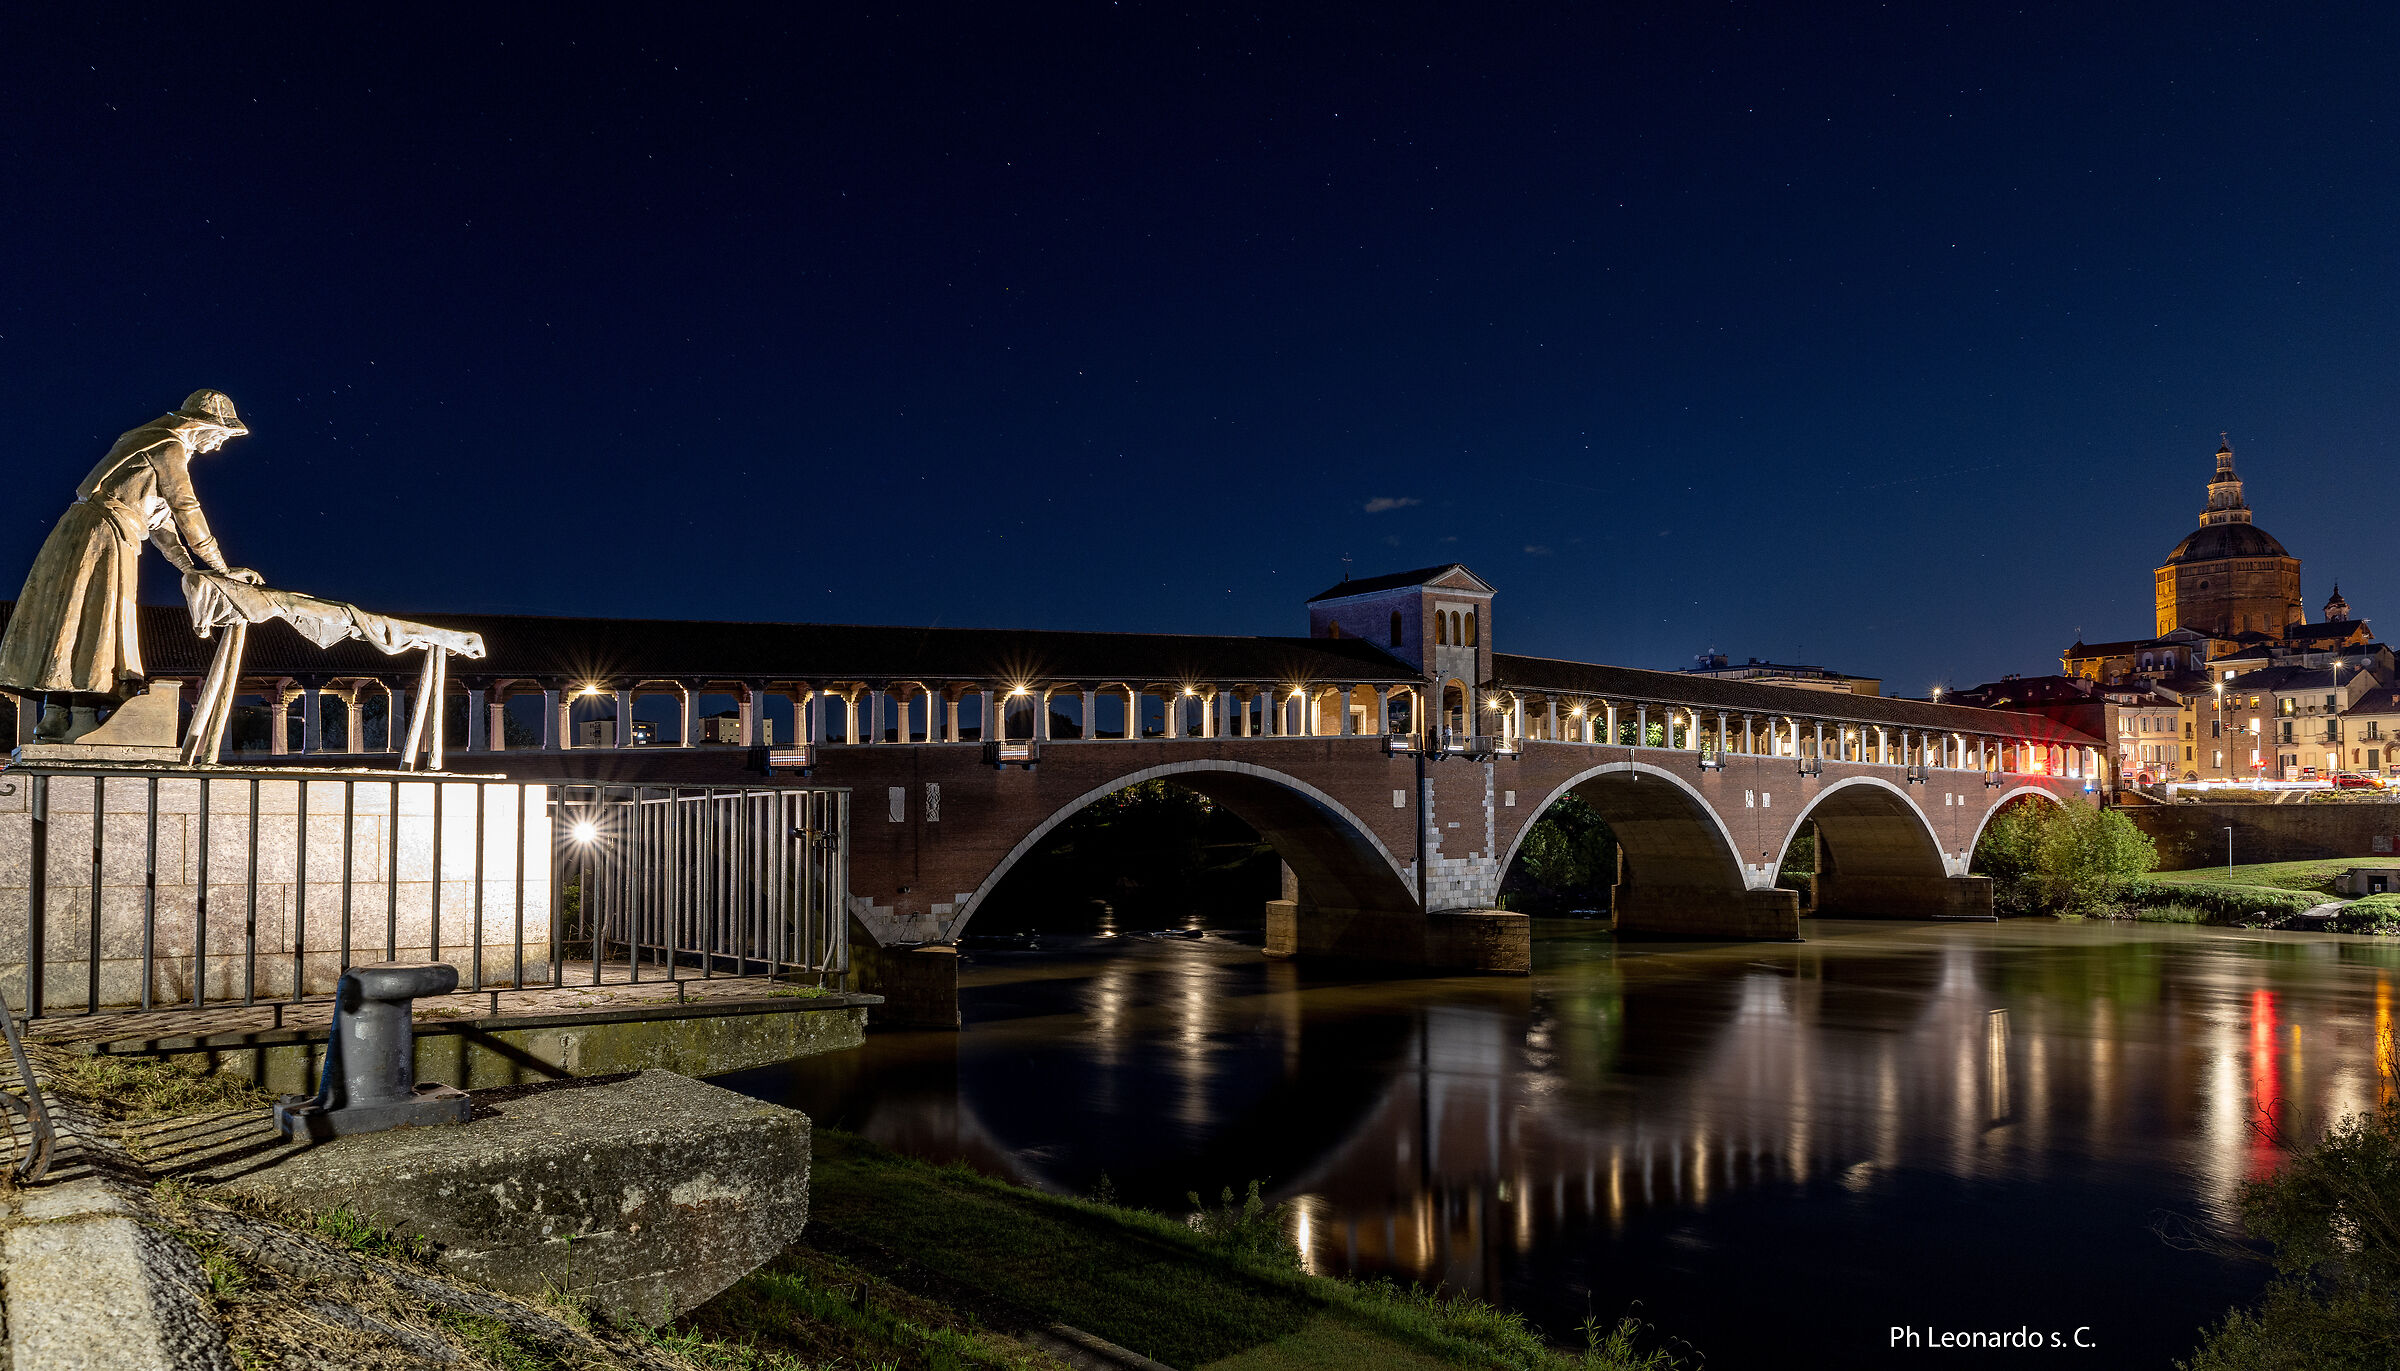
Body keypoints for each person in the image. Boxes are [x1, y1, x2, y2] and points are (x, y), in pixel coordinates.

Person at [0, 390, 263, 742]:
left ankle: (53, 715)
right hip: (106, 536)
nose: (218, 446)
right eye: (221, 436)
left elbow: (163, 526)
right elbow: (186, 508)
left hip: (86, 531)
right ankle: (79, 716)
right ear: (202, 426)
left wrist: (190, 569)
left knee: (70, 620)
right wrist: (219, 565)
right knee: (96, 622)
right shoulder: (168, 447)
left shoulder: (144, 445)